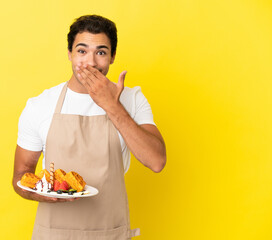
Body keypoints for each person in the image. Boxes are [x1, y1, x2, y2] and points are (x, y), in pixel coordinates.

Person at [12, 15, 166, 240]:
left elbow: (156, 161)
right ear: (69, 54)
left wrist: (112, 106)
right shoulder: (40, 105)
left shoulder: (132, 99)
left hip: (110, 231)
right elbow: (20, 174)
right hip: (53, 233)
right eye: (82, 51)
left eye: (101, 52)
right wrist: (44, 194)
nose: (91, 62)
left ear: (112, 57)